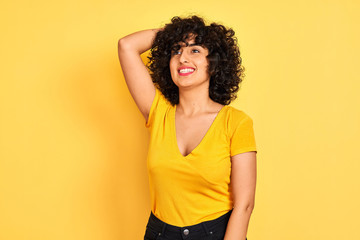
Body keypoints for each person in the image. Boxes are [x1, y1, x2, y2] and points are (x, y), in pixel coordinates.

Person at [118, 15, 257, 240]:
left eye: (194, 50)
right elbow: (126, 46)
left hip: (216, 233)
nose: (182, 58)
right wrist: (173, 33)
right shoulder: (158, 113)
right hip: (160, 234)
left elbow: (245, 205)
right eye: (176, 50)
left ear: (214, 62)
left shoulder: (236, 122)